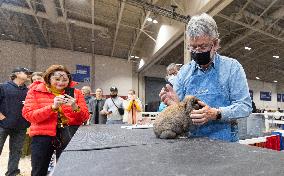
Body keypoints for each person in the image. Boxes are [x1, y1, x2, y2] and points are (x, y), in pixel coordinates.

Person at [160, 13, 252, 142]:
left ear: (215, 44)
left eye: (203, 46)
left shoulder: (232, 68)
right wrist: (175, 104)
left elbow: (245, 106)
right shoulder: (184, 72)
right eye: (193, 47)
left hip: (225, 145)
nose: (197, 51)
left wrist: (216, 113)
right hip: (190, 144)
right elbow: (181, 111)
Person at [22, 65, 90, 176]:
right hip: (42, 136)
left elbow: (85, 117)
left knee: (68, 170)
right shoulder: (34, 91)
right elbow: (29, 115)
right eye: (57, 79)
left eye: (65, 80)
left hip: (69, 135)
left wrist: (75, 107)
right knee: (39, 170)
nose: (61, 83)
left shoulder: (76, 93)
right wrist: (52, 107)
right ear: (48, 78)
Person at [0, 67, 32, 176]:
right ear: (16, 74)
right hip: (3, 126)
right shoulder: (3, 87)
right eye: (26, 72)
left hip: (21, 127)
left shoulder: (28, 91)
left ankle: (12, 172)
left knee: (16, 151)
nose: (29, 74)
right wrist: (2, 118)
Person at [22, 72, 45, 158]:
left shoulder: (48, 89)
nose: (36, 81)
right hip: (31, 117)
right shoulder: (29, 90)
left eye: (38, 79)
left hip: (44, 117)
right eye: (34, 80)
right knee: (28, 136)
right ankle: (25, 154)